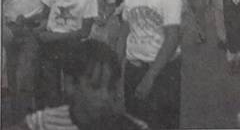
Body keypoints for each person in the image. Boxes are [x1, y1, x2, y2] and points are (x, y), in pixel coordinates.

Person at [4, 40, 150, 130]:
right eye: (95, 87)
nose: (105, 96)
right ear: (70, 84)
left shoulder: (132, 127)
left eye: (111, 88)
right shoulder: (44, 122)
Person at [117, 0, 182, 129]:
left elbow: (171, 39)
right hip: (134, 68)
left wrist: (151, 76)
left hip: (162, 72)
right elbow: (123, 36)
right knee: (135, 121)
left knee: (162, 121)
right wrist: (114, 72)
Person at [2, 0, 54, 120]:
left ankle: (25, 118)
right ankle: (17, 116)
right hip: (9, 30)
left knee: (25, 74)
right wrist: (3, 28)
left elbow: (48, 6)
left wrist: (38, 21)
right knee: (13, 73)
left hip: (31, 31)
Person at [35, 0, 97, 107]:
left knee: (72, 89)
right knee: (49, 88)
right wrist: (41, 28)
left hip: (73, 47)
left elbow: (84, 32)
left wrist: (55, 37)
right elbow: (45, 15)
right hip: (49, 46)